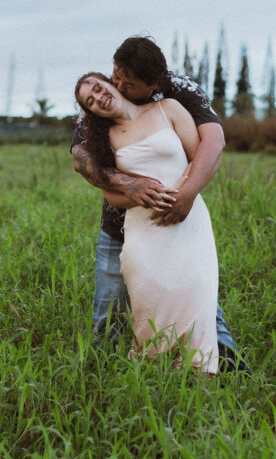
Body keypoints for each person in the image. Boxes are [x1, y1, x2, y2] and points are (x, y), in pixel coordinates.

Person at [71, 35, 248, 373]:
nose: (117, 86)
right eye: (115, 75)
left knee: (199, 302)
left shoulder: (176, 94)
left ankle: (228, 370)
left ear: (152, 85)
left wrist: (186, 195)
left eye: (128, 84)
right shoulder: (99, 114)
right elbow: (83, 160)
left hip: (182, 221)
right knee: (111, 314)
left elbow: (212, 143)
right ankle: (102, 379)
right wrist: (132, 186)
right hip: (123, 227)